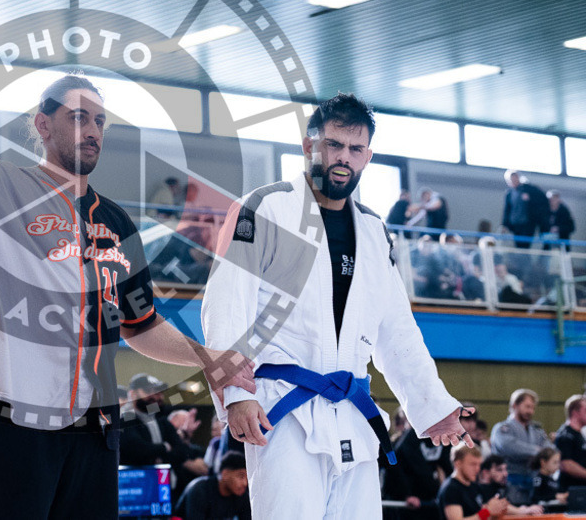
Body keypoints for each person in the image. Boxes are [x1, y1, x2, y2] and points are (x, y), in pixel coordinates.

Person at [0, 73, 255, 519]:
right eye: (79, 117)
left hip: (97, 430)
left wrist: (206, 357)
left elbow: (142, 326)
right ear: (43, 126)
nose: (93, 130)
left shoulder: (118, 222)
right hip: (15, 425)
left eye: (100, 121)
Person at [201, 93, 469, 520]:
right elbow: (226, 305)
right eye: (333, 145)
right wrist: (234, 394)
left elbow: (396, 328)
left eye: (355, 149)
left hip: (352, 410)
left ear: (368, 156)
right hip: (281, 408)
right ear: (309, 146)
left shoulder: (374, 231)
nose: (343, 158)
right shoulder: (264, 208)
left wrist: (431, 406)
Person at [121, 373, 207, 502]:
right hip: (134, 491)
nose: (156, 396)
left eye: (159, 392)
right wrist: (166, 447)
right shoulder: (124, 419)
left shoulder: (162, 420)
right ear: (133, 394)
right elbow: (136, 449)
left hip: (164, 491)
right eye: (149, 391)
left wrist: (158, 452)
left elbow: (181, 452)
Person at [490, 388, 549, 504]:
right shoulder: (502, 429)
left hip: (532, 483)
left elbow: (549, 449)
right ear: (515, 405)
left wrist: (543, 452)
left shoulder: (537, 431)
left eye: (532, 408)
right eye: (527, 406)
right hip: (510, 482)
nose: (530, 411)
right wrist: (537, 451)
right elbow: (508, 446)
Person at [173, 451, 251, 520]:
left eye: (247, 478)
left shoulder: (242, 495)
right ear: (225, 474)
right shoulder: (200, 490)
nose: (245, 483)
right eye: (241, 476)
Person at [437, 445, 508, 520]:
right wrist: (487, 512)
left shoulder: (474, 486)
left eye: (479, 464)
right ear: (458, 464)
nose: (477, 469)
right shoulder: (450, 489)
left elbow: (483, 514)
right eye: (473, 464)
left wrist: (495, 510)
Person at [501, 170, 549, 249]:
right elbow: (507, 210)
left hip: (528, 224)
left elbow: (543, 200)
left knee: (525, 246)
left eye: (515, 178)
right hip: (515, 225)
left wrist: (530, 199)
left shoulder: (529, 189)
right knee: (518, 247)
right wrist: (504, 224)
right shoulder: (509, 193)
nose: (514, 181)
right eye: (511, 180)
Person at [554, 394, 586, 490]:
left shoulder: (579, 434)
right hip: (570, 490)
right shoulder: (566, 435)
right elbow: (566, 464)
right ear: (575, 412)